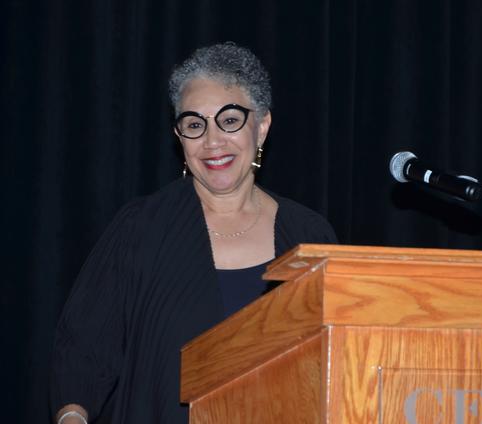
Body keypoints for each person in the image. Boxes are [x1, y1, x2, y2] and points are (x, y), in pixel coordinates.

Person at [50, 42, 337, 424]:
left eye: (230, 120)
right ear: (179, 136)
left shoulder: (309, 234)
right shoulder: (141, 229)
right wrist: (72, 417)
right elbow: (82, 353)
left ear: (262, 126)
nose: (212, 140)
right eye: (194, 124)